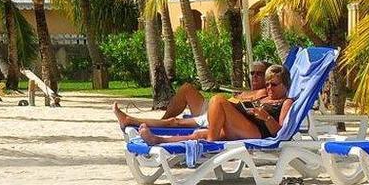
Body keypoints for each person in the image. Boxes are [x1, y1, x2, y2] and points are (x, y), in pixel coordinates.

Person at [136, 64, 290, 144]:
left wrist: (266, 117)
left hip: (258, 132)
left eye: (274, 85)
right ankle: (158, 140)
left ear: (284, 85)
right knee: (198, 134)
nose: (269, 87)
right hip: (243, 126)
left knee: (218, 100)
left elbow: (281, 133)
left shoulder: (286, 102)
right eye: (268, 84)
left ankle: (212, 143)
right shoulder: (265, 97)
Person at [115, 61, 267, 131]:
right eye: (252, 73)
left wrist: (239, 99)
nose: (254, 77)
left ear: (267, 77)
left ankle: (130, 120)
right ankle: (160, 124)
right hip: (214, 108)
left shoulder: (264, 92)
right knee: (187, 88)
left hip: (220, 115)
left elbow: (253, 110)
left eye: (259, 74)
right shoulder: (249, 90)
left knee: (174, 122)